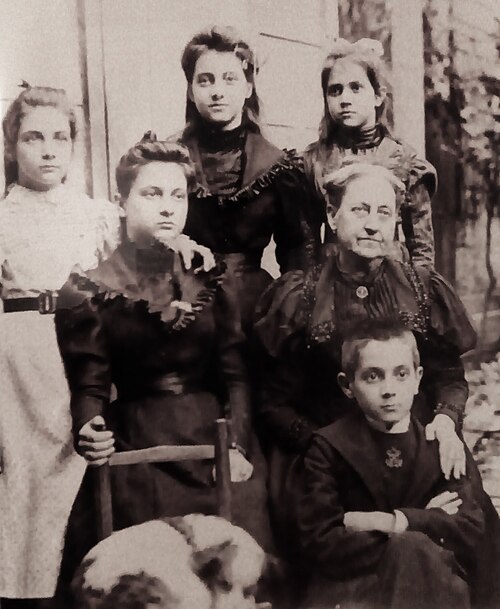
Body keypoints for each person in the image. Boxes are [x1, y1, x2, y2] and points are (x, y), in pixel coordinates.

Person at [254, 161, 500, 608]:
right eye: (360, 210)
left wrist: (446, 421)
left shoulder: (421, 287)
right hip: (332, 453)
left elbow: (447, 377)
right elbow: (274, 403)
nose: (372, 223)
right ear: (332, 216)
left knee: (464, 525)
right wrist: (326, 449)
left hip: (415, 442)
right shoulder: (303, 295)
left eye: (385, 213)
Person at [54, 136, 271, 606]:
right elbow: (90, 384)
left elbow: (234, 373)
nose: (168, 208)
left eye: (178, 195)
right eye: (151, 194)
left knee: (241, 545)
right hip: (138, 439)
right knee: (144, 569)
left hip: (215, 437)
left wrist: (234, 444)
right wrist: (88, 426)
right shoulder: (88, 289)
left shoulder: (210, 278)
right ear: (122, 202)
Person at [0, 83, 120, 608]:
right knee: (20, 487)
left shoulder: (96, 216)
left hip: (81, 354)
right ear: (10, 147)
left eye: (59, 137)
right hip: (18, 360)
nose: (48, 149)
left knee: (79, 477)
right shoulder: (3, 218)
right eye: (33, 138)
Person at [296, 319, 484, 609]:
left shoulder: (439, 445)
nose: (389, 390)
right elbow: (320, 541)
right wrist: (424, 525)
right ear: (347, 385)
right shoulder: (328, 447)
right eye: (373, 376)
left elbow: (469, 528)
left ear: (418, 378)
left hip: (431, 587)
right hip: (355, 590)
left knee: (414, 550)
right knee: (411, 547)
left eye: (401, 374)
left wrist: (394, 521)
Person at [174, 25, 319, 338]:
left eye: (230, 79)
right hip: (184, 308)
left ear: (248, 87)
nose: (217, 91)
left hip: (252, 312)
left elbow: (298, 255)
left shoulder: (278, 168)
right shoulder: (171, 161)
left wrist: (289, 314)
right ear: (190, 90)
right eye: (205, 80)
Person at [303, 38, 436, 266]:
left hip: (390, 281)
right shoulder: (313, 161)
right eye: (335, 91)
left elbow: (421, 248)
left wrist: (419, 296)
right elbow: (305, 247)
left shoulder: (404, 161)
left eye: (356, 88)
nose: (345, 99)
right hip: (332, 282)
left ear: (377, 96)